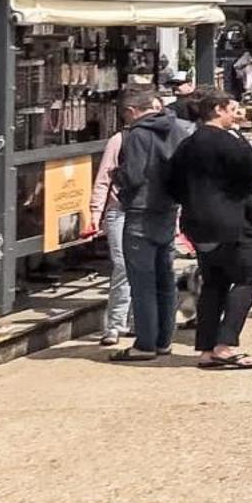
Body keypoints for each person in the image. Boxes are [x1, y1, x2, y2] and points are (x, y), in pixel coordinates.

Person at [168, 92, 252, 369]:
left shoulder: (188, 144)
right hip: (233, 225)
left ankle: (207, 348)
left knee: (214, 284)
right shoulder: (221, 140)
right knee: (251, 275)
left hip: (199, 225)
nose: (238, 114)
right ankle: (225, 344)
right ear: (218, 110)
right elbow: (251, 162)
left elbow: (171, 182)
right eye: (233, 109)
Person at [111, 86, 194, 361]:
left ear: (131, 110)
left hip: (141, 209)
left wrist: (118, 179)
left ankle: (144, 343)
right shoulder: (177, 128)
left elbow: (133, 174)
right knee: (165, 277)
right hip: (168, 209)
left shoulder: (137, 134)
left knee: (142, 281)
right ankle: (163, 340)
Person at [90, 118, 132, 347]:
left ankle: (137, 321)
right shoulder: (119, 140)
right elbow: (104, 178)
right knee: (123, 265)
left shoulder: (163, 137)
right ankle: (115, 325)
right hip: (119, 209)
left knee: (145, 267)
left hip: (150, 211)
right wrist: (96, 213)